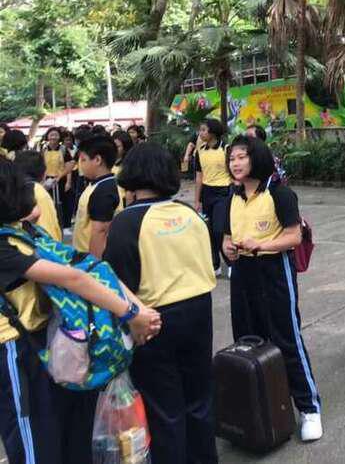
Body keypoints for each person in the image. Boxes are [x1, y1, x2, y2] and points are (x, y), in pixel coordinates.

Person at [0, 158, 160, 464]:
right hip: (23, 348)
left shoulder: (21, 232)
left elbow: (87, 270)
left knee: (52, 436)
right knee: (42, 438)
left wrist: (137, 311)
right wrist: (134, 313)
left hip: (40, 344)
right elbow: (78, 275)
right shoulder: (19, 236)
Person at [104, 143, 218, 464]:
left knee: (164, 409)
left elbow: (117, 281)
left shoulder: (127, 221)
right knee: (199, 399)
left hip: (153, 320)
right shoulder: (190, 214)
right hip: (199, 311)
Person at [222, 136, 323, 442]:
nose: (236, 163)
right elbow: (227, 236)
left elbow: (294, 237)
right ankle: (260, 409)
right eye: (232, 158)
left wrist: (261, 245)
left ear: (257, 158)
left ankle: (309, 408)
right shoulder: (232, 196)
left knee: (286, 338)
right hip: (242, 272)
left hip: (274, 271)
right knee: (247, 339)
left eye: (242, 157)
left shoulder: (280, 193)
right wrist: (228, 247)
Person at [73, 135, 120, 258]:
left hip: (91, 259)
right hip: (83, 255)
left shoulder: (103, 190)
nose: (80, 164)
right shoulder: (96, 184)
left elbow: (100, 231)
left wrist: (94, 264)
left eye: (83, 160)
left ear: (98, 160)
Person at [194, 119, 230, 274]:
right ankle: (215, 265)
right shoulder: (200, 151)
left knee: (219, 229)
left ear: (213, 132)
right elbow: (199, 177)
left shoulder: (226, 149)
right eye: (200, 130)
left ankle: (230, 262)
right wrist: (197, 200)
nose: (200, 133)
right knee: (208, 230)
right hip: (207, 193)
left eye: (204, 130)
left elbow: (233, 172)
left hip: (224, 192)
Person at [14, 151, 63, 242]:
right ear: (43, 173)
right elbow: (49, 232)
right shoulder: (39, 193)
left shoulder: (17, 189)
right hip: (41, 247)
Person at [41, 127, 72, 220]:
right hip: (47, 180)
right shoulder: (44, 149)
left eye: (56, 135)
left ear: (59, 137)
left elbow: (68, 166)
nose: (53, 137)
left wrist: (68, 182)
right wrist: (42, 181)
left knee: (63, 203)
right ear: (47, 137)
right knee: (48, 202)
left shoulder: (63, 149)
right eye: (51, 135)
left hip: (61, 179)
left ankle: (64, 223)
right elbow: (41, 166)